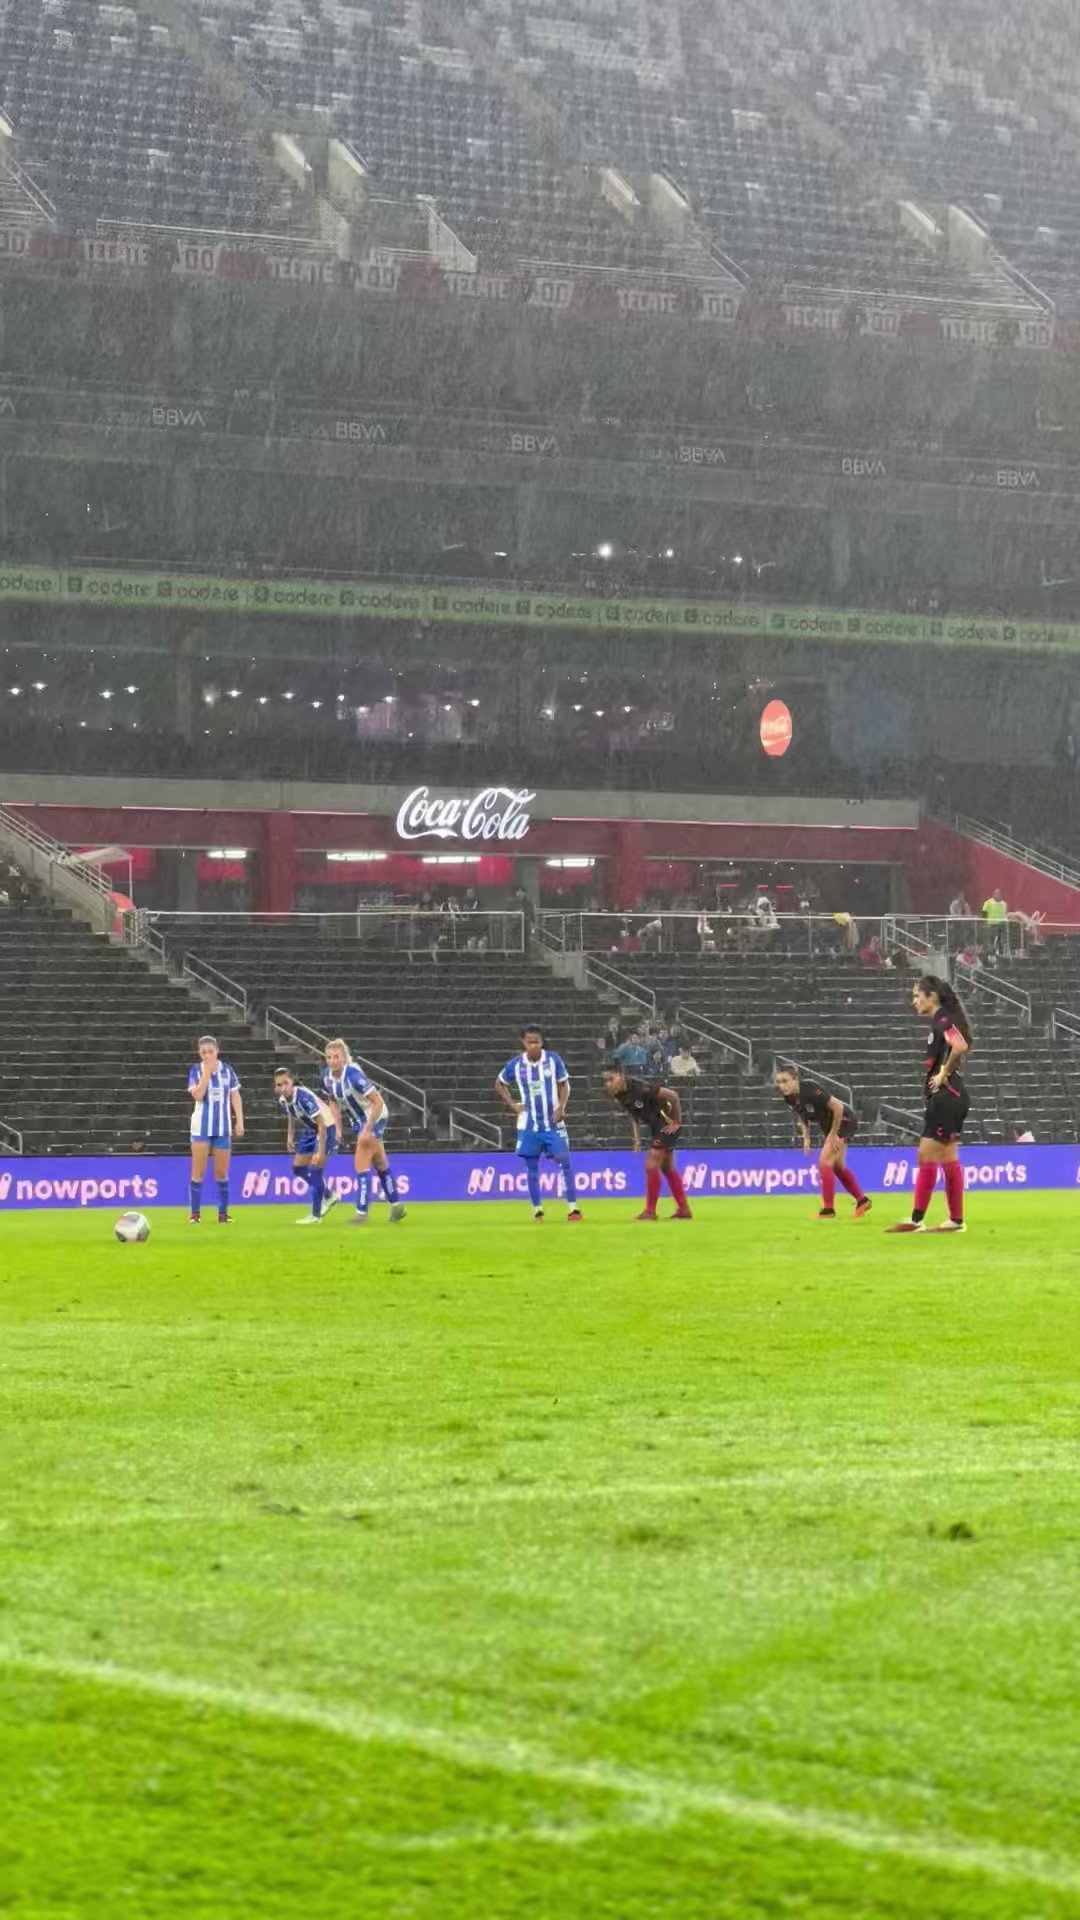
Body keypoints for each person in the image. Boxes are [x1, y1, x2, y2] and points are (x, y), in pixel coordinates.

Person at [886, 975, 972, 1235]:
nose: (914, 1001)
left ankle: (916, 1220)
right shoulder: (941, 1019)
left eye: (916, 995)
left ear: (931, 996)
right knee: (948, 1157)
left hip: (946, 1097)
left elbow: (960, 1045)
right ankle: (955, 1221)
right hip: (953, 1097)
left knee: (926, 1155)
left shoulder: (941, 1017)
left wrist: (943, 1073)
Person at [494, 1025, 582, 1223]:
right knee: (531, 1167)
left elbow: (564, 1084)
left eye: (536, 1042)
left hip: (553, 1124)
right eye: (529, 1042)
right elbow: (499, 1083)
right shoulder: (516, 1065)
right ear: (523, 1043)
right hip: (528, 1126)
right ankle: (538, 1211)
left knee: (565, 1163)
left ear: (542, 1043)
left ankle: (573, 1209)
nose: (533, 1045)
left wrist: (562, 1107)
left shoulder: (553, 1060)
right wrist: (512, 1105)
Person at [323, 1038, 406, 1225]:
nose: (332, 1060)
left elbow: (378, 1102)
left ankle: (361, 1213)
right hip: (358, 1121)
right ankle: (397, 1207)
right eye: (329, 1057)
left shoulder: (353, 1076)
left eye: (336, 1057)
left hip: (374, 1116)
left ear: (344, 1058)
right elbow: (333, 1103)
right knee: (380, 1164)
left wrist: (367, 1129)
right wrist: (338, 1128)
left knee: (360, 1162)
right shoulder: (326, 1077)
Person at [775, 1067, 871, 1220]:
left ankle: (828, 1210)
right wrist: (806, 1137)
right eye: (779, 1082)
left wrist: (832, 1135)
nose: (781, 1085)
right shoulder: (789, 1097)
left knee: (825, 1163)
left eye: (785, 1081)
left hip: (844, 1120)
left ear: (795, 1080)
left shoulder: (810, 1089)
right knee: (838, 1168)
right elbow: (801, 1116)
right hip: (828, 1125)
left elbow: (838, 1107)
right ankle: (862, 1200)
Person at [602, 1063, 692, 1220]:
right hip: (657, 1125)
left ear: (622, 1076)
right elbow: (634, 1115)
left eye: (611, 1079)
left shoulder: (640, 1089)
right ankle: (684, 1210)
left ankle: (650, 1212)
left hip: (666, 1124)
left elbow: (673, 1096)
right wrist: (636, 1139)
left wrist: (676, 1121)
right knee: (667, 1167)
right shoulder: (620, 1095)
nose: (608, 1084)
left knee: (652, 1163)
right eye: (606, 1081)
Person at [188, 1033, 244, 1224]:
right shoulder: (196, 1070)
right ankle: (195, 1215)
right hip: (201, 1128)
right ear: (199, 1053)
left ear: (217, 1051)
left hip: (222, 1128)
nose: (207, 1055)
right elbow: (198, 1095)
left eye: (210, 1051)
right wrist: (206, 1074)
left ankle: (223, 1214)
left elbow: (235, 1096)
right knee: (198, 1172)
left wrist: (240, 1121)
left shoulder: (228, 1070)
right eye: (203, 1052)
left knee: (221, 1173)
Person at [274, 1067, 340, 1226]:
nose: (283, 1087)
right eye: (278, 1084)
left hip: (326, 1129)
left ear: (292, 1082)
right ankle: (329, 1195)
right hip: (311, 1130)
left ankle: (316, 1215)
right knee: (298, 1168)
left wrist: (319, 1150)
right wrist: (289, 1136)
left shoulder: (302, 1097)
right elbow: (291, 1114)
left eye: (286, 1083)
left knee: (314, 1171)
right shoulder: (283, 1100)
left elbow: (322, 1123)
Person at [982, 888, 1007, 954]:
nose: (998, 895)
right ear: (993, 894)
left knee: (1001, 942)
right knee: (990, 942)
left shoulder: (1004, 904)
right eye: (996, 893)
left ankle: (1001, 954)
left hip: (1001, 926)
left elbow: (1004, 914)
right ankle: (989, 954)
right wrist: (984, 923)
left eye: (999, 894)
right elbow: (984, 914)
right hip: (990, 925)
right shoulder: (988, 903)